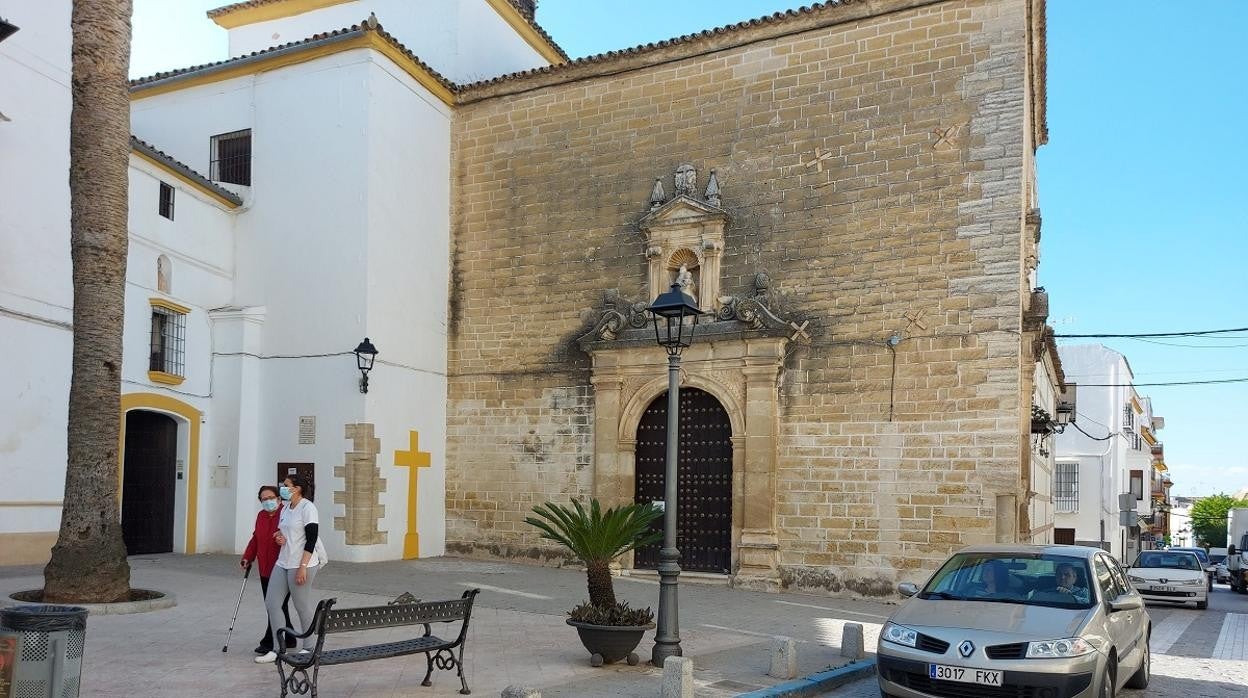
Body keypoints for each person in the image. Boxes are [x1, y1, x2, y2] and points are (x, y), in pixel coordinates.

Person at [255, 474, 328, 664]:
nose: (283, 488)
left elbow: (311, 538)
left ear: (297, 489)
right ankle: (278, 649)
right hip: (283, 561)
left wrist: (303, 567)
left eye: (286, 485)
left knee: (301, 605)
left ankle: (309, 647)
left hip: (302, 563)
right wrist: (280, 537)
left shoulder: (308, 508)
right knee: (272, 603)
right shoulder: (286, 507)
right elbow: (284, 530)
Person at [240, 485, 294, 655]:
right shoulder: (261, 516)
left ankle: (270, 641)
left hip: (283, 568)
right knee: (278, 606)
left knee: (274, 606)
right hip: (265, 569)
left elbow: (295, 537)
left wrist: (283, 540)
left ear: (279, 499)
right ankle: (290, 636)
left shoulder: (286, 514)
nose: (268, 501)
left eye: (271, 497)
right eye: (264, 499)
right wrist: (248, 556)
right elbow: (256, 538)